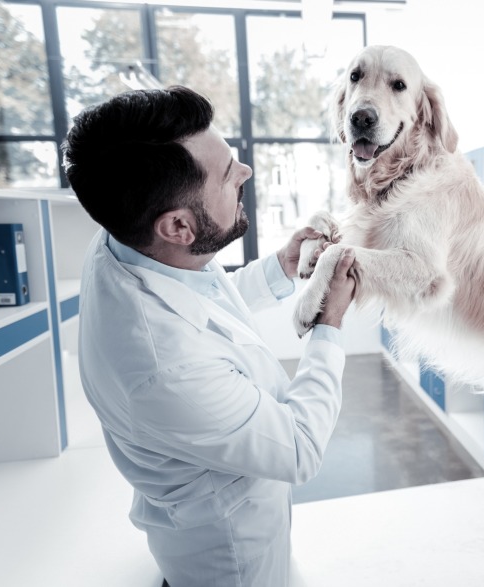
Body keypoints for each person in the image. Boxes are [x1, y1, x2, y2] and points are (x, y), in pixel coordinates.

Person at [63, 85, 356, 587]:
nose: (245, 172)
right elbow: (300, 447)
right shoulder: (164, 371)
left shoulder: (125, 235)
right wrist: (328, 326)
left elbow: (196, 300)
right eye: (227, 174)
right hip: (230, 553)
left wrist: (279, 269)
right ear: (177, 225)